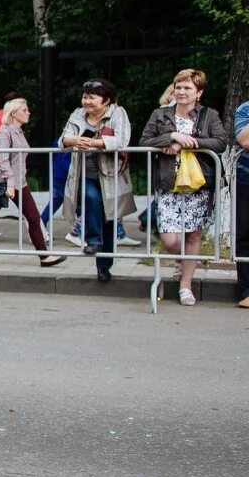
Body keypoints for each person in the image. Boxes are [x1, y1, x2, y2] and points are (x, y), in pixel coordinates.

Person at [139, 69, 228, 305]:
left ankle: (186, 285)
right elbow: (144, 141)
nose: (181, 91)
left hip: (199, 183)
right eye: (178, 87)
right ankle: (181, 260)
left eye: (187, 88)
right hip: (168, 183)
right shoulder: (160, 114)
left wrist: (192, 143)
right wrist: (172, 137)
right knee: (170, 239)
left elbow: (220, 142)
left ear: (198, 93)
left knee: (193, 234)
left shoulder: (209, 115)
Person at [0, 98, 64, 266]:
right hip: (4, 183)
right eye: (24, 110)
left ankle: (44, 256)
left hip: (19, 183)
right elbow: (3, 160)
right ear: (14, 113)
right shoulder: (5, 132)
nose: (28, 113)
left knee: (33, 218)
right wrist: (11, 184)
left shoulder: (18, 132)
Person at [60, 78, 135, 283]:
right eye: (85, 97)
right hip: (84, 173)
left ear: (106, 100)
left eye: (92, 97)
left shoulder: (118, 113)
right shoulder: (77, 114)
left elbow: (121, 140)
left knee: (109, 221)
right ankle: (92, 240)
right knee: (89, 197)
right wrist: (75, 140)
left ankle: (104, 266)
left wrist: (94, 143)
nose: (87, 101)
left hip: (110, 177)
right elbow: (63, 140)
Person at [235, 96, 249, 310]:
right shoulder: (245, 109)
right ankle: (247, 290)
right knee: (246, 235)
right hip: (247, 180)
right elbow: (245, 141)